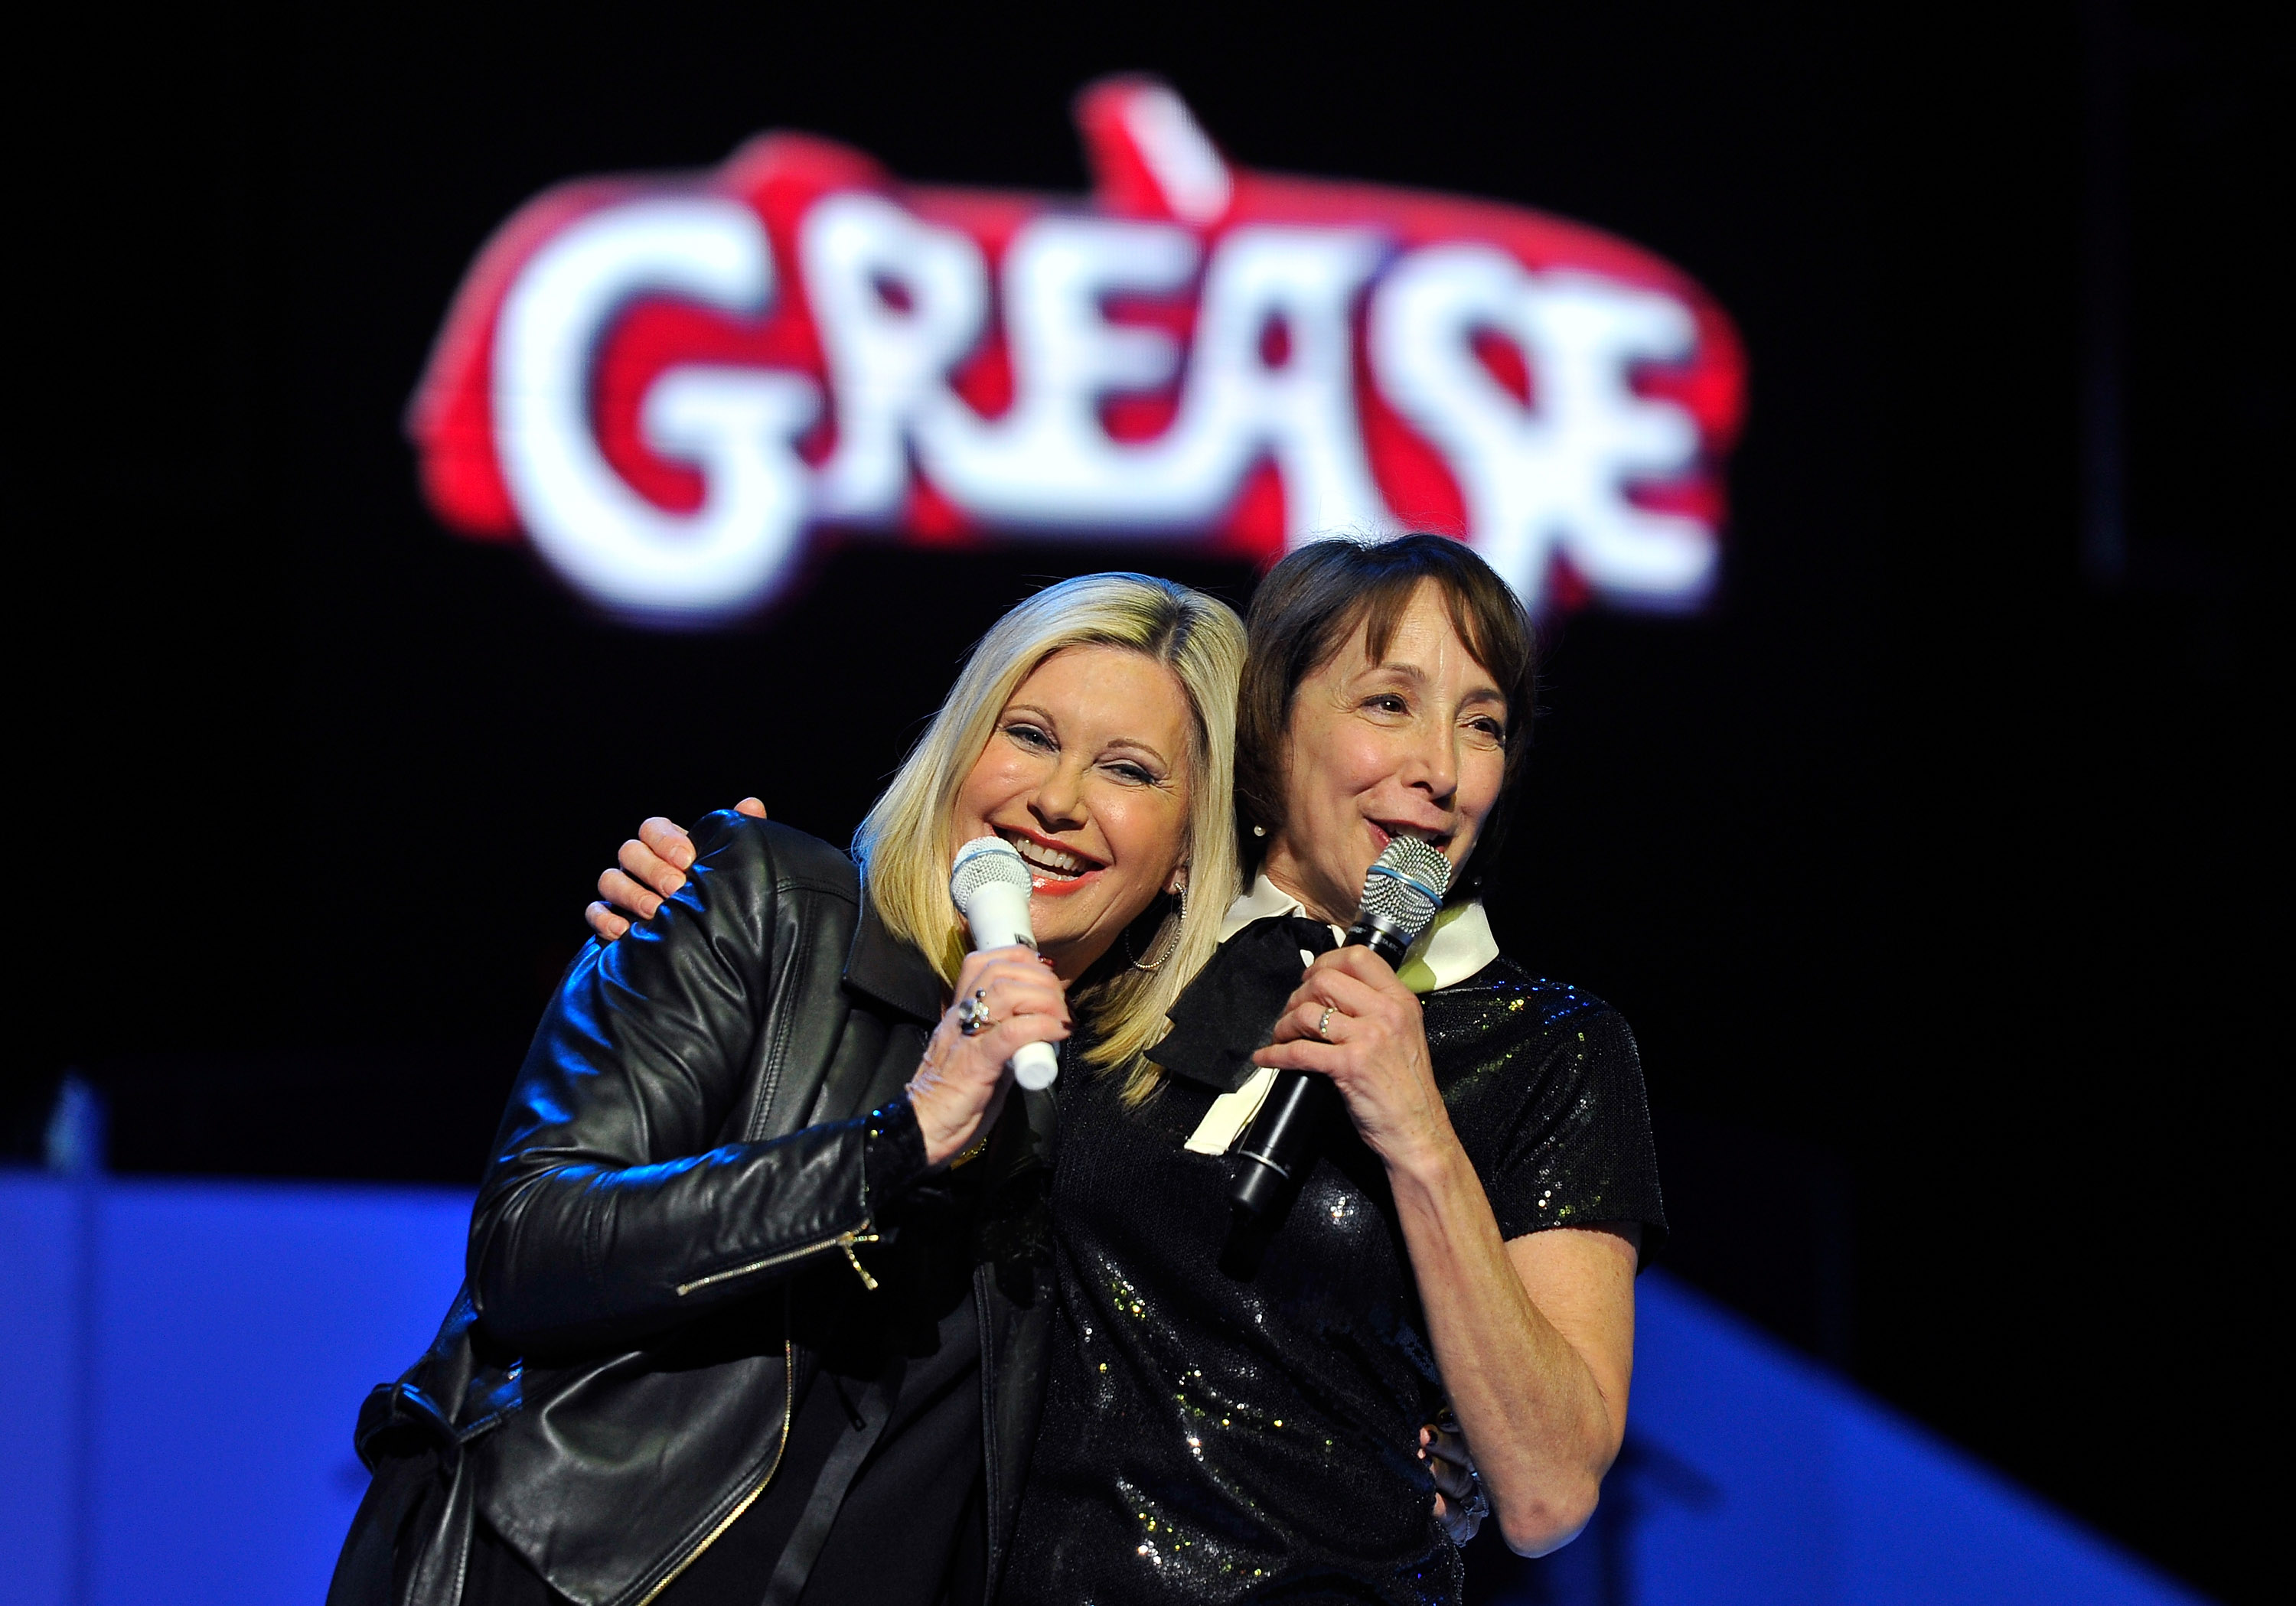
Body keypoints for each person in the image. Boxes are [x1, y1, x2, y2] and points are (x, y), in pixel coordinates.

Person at [589, 535, 1665, 1604]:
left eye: (1482, 723)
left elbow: (1547, 1492)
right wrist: (717, 911)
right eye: (1390, 703)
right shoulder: (1120, 968)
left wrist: (1420, 1139)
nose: (1439, 767)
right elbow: (916, 948)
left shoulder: (1548, 1045)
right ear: (1271, 731)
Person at [329, 572, 1251, 1606]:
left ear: (1189, 851)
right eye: (1029, 734)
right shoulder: (761, 908)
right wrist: (895, 1142)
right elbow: (530, 1248)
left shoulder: (1124, 1117)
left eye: (1127, 769)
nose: (1059, 799)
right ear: (958, 755)